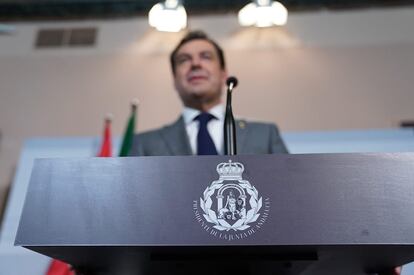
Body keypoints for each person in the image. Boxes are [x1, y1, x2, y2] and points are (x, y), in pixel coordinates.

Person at [129, 30, 288, 156]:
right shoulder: (145, 144)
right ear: (174, 80)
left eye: (206, 57)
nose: (195, 64)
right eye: (184, 60)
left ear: (223, 74)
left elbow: (291, 189)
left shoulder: (265, 135)